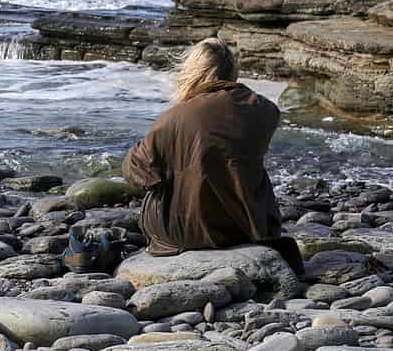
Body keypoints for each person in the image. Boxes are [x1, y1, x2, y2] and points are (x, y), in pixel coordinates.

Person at [122, 38, 303, 273]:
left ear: (193, 72)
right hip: (250, 225)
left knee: (153, 176)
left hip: (189, 231)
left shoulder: (174, 118)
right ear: (232, 71)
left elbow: (138, 173)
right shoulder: (266, 110)